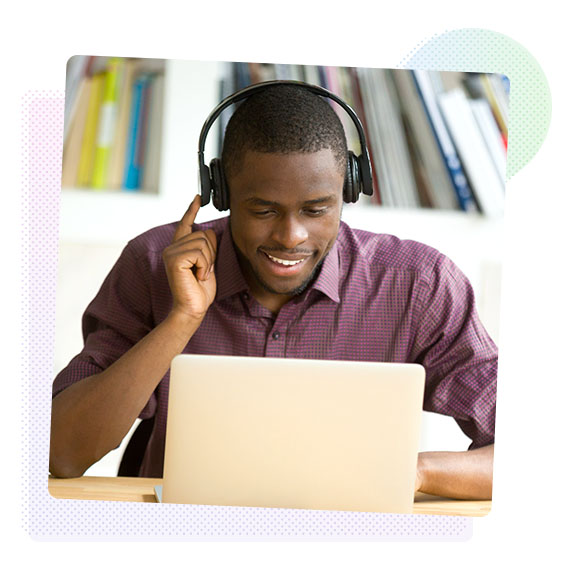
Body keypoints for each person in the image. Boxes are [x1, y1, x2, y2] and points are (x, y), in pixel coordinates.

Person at [50, 83, 496, 500]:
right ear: (220, 192)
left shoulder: (419, 284)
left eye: (317, 209)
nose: (291, 236)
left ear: (349, 190)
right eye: (263, 209)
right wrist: (182, 317)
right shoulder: (153, 263)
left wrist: (415, 471)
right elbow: (61, 452)